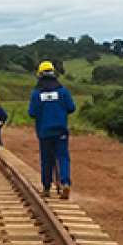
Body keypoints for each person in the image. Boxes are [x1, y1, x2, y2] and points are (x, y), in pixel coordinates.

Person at [28, 60, 76, 199]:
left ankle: (47, 188)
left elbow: (32, 113)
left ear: (40, 75)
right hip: (61, 131)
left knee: (46, 159)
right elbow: (71, 108)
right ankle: (65, 182)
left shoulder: (36, 94)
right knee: (63, 157)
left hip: (44, 132)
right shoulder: (63, 91)